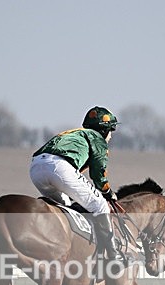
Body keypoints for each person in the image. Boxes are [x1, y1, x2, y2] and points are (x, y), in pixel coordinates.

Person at [30, 106, 124, 262]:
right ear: (104, 130)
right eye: (111, 131)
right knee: (100, 204)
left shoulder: (75, 133)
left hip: (35, 168)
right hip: (59, 167)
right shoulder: (97, 139)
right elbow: (98, 174)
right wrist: (107, 192)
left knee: (66, 207)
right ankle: (113, 256)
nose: (111, 136)